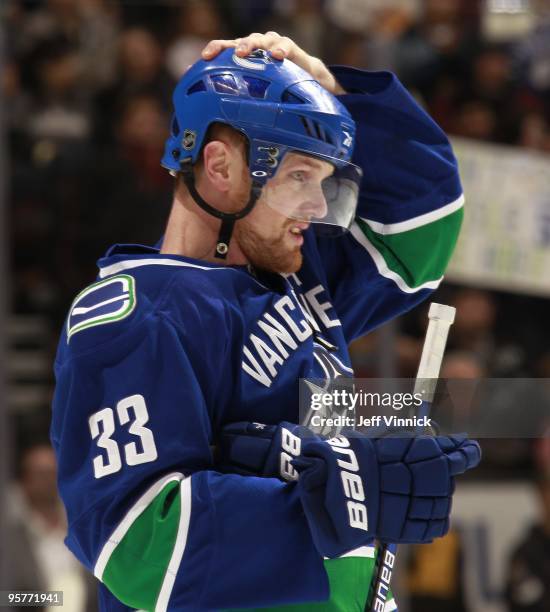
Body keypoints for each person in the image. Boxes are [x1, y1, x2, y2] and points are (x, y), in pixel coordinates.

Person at [50, 33, 480, 611]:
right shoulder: (138, 312)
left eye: (325, 182)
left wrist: (333, 86)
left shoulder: (297, 272)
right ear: (221, 166)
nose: (318, 207)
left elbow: (427, 222)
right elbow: (137, 543)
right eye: (299, 176)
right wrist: (351, 497)